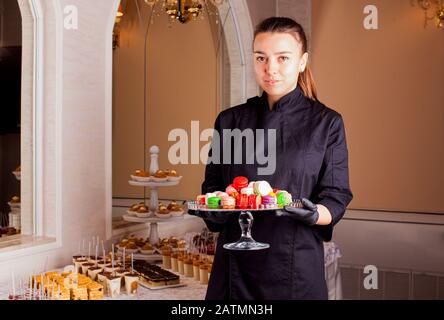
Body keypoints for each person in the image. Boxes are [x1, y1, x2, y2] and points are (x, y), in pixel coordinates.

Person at [193, 17, 353, 300]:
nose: (271, 69)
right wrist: (214, 207)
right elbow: (213, 186)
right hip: (234, 269)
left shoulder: (326, 123)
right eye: (261, 58)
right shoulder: (229, 120)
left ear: (302, 62)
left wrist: (314, 213)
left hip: (295, 268)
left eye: (283, 58)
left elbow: (336, 196)